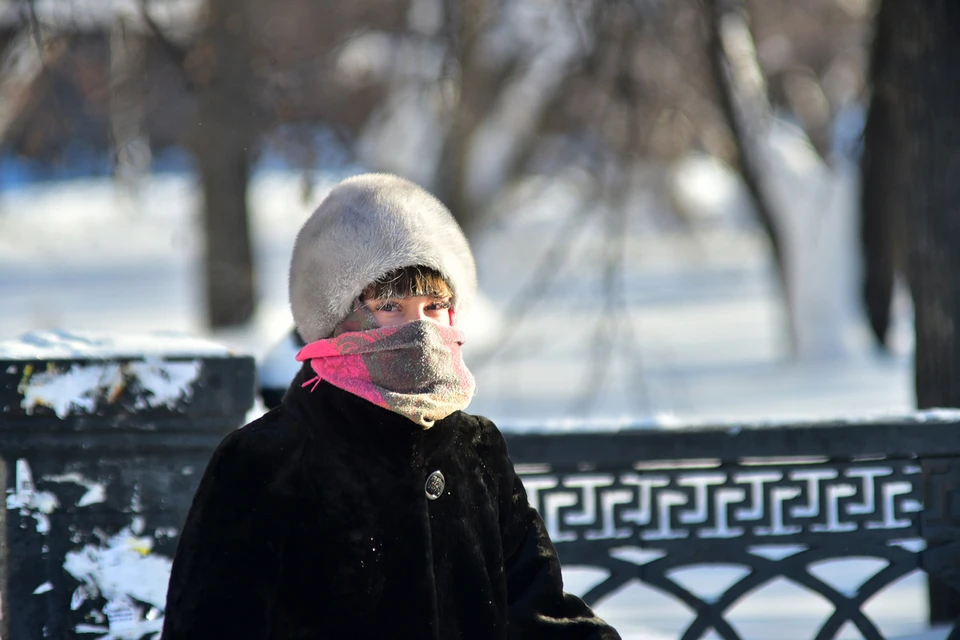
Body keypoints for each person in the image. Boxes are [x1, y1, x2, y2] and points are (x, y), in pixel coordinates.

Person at [161, 173, 621, 640]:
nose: (418, 330)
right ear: (334, 318)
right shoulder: (262, 460)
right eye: (389, 306)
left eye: (433, 306)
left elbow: (537, 611)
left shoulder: (476, 448)